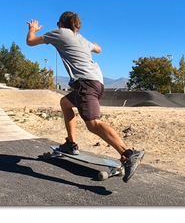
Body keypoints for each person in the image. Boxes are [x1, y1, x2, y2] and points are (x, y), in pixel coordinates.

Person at [26, 12, 145, 182]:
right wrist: (90, 44)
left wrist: (32, 29)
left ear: (61, 24)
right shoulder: (81, 38)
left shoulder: (59, 33)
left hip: (86, 84)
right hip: (97, 82)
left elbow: (30, 42)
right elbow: (98, 48)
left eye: (58, 23)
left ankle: (128, 154)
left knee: (93, 124)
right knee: (65, 103)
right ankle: (70, 144)